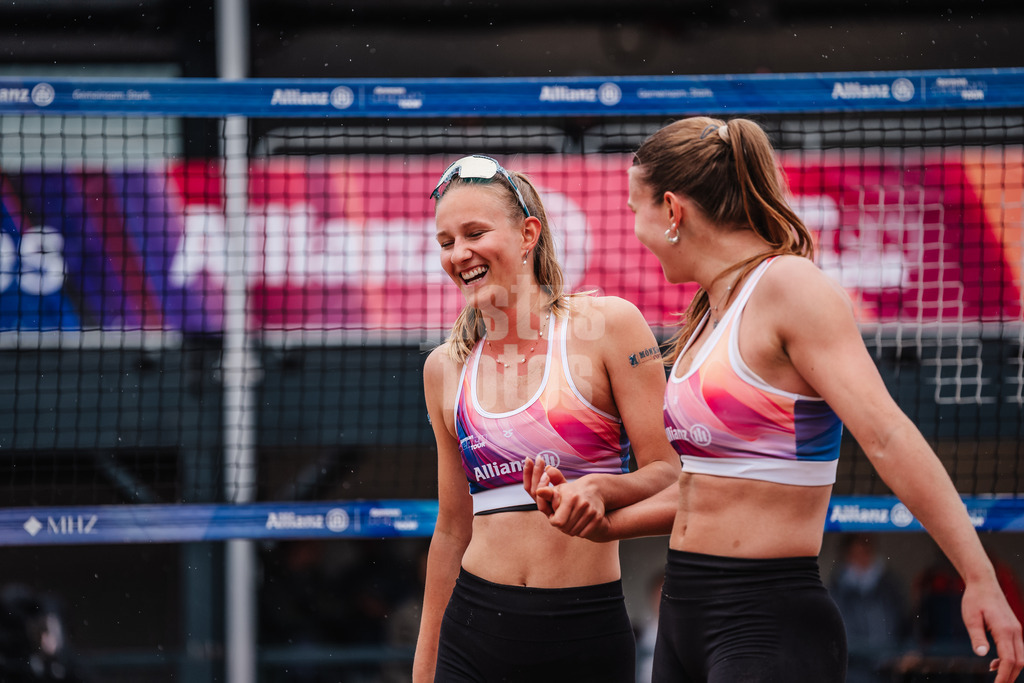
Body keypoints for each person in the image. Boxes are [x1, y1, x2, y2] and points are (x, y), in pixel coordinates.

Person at [524, 117, 1024, 683]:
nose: (633, 227)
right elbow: (705, 490)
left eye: (634, 208)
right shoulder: (708, 315)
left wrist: (978, 574)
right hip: (685, 615)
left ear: (671, 209)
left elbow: (888, 436)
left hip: (766, 621)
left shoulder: (789, 287)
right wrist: (603, 513)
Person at [413, 154, 679, 682]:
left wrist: (600, 493)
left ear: (528, 233)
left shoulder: (609, 325)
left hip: (583, 630)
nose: (459, 254)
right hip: (472, 634)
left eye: (474, 232)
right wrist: (425, 668)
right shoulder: (445, 367)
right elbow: (451, 530)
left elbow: (673, 477)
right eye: (446, 242)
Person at [829, 534, 910, 683]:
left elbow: (905, 623)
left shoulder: (890, 586)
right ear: (847, 557)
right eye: (856, 555)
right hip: (852, 672)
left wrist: (904, 652)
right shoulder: (836, 591)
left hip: (888, 670)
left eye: (866, 553)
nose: (862, 560)